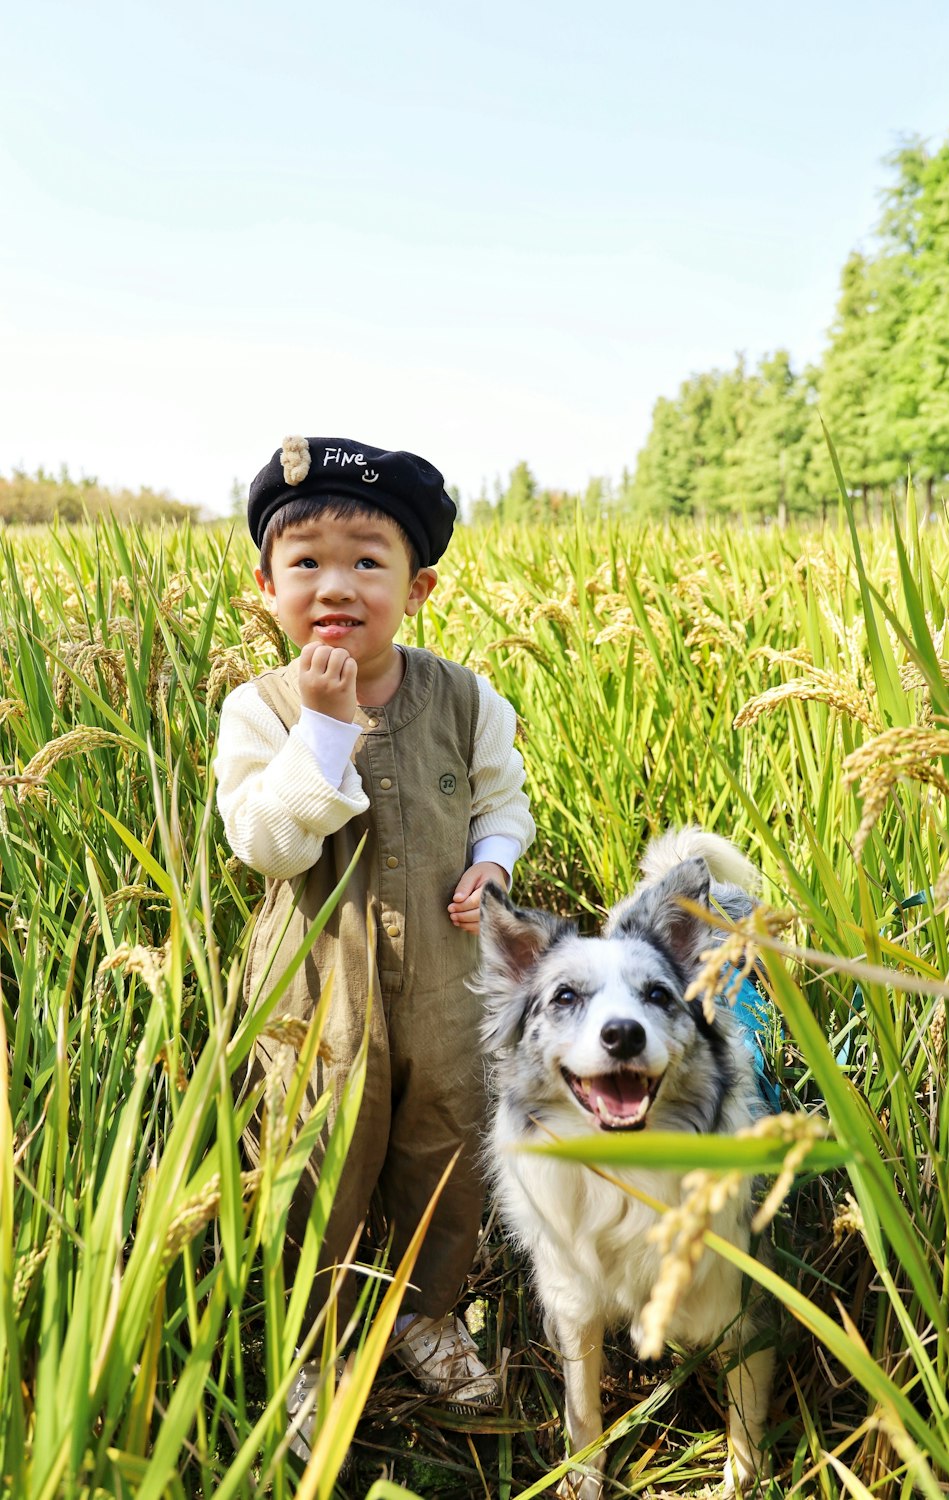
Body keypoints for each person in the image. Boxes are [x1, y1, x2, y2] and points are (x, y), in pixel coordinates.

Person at [215, 435, 534, 1453]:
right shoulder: (257, 710)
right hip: (318, 980)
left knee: (444, 1136)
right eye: (304, 563)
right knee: (320, 1147)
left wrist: (493, 863)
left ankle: (424, 1312)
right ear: (265, 586)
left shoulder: (465, 696)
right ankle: (315, 1343)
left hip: (446, 973)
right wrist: (323, 728)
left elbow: (502, 803)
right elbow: (264, 843)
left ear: (420, 585)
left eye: (367, 561)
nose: (334, 586)